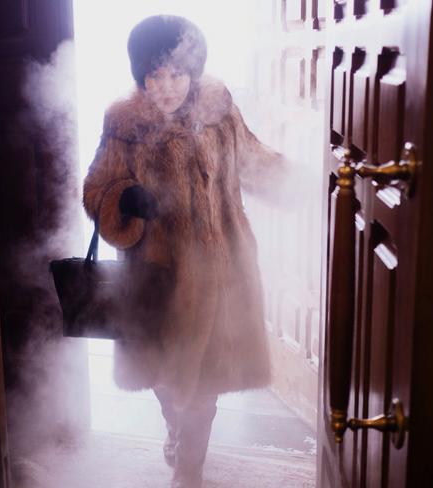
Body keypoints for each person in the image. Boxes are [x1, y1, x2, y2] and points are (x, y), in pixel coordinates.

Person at [83, 15, 291, 488]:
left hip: (221, 272)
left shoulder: (219, 108)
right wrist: (125, 200)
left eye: (176, 74)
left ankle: (189, 470)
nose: (167, 86)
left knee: (204, 383)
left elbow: (252, 160)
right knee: (166, 379)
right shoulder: (124, 122)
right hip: (157, 274)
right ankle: (176, 429)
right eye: (155, 76)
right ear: (141, 76)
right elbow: (97, 188)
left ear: (192, 71)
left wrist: (309, 180)